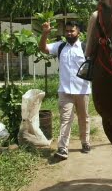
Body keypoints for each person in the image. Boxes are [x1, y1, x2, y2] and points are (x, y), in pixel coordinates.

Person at [39, 21, 91, 160]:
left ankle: (85, 142)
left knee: (83, 118)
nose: (68, 33)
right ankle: (62, 148)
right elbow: (43, 48)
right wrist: (45, 33)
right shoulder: (60, 46)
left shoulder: (85, 47)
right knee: (65, 119)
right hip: (65, 91)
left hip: (82, 90)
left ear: (78, 32)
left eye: (71, 31)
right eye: (67, 31)